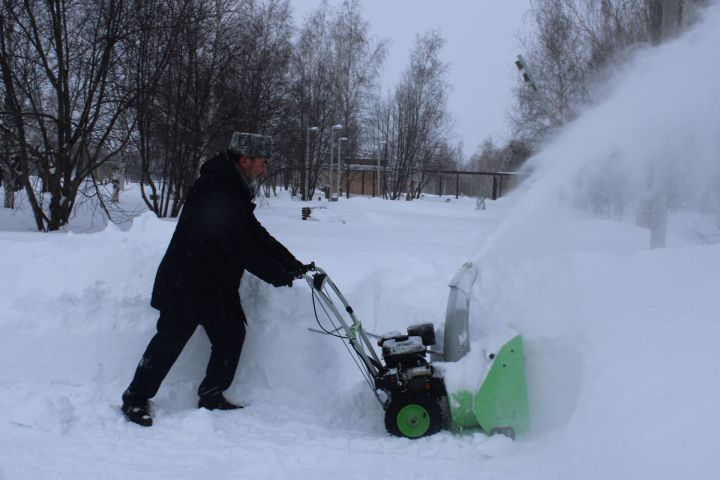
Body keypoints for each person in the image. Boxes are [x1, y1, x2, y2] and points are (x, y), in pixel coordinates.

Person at [121, 132, 306, 427]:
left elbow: (253, 232)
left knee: (231, 334)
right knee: (169, 341)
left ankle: (211, 393)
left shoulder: (233, 187)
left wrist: (290, 261)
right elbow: (237, 244)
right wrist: (276, 274)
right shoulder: (216, 188)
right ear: (245, 160)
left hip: (213, 283)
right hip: (186, 280)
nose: (265, 169)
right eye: (263, 162)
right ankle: (134, 397)